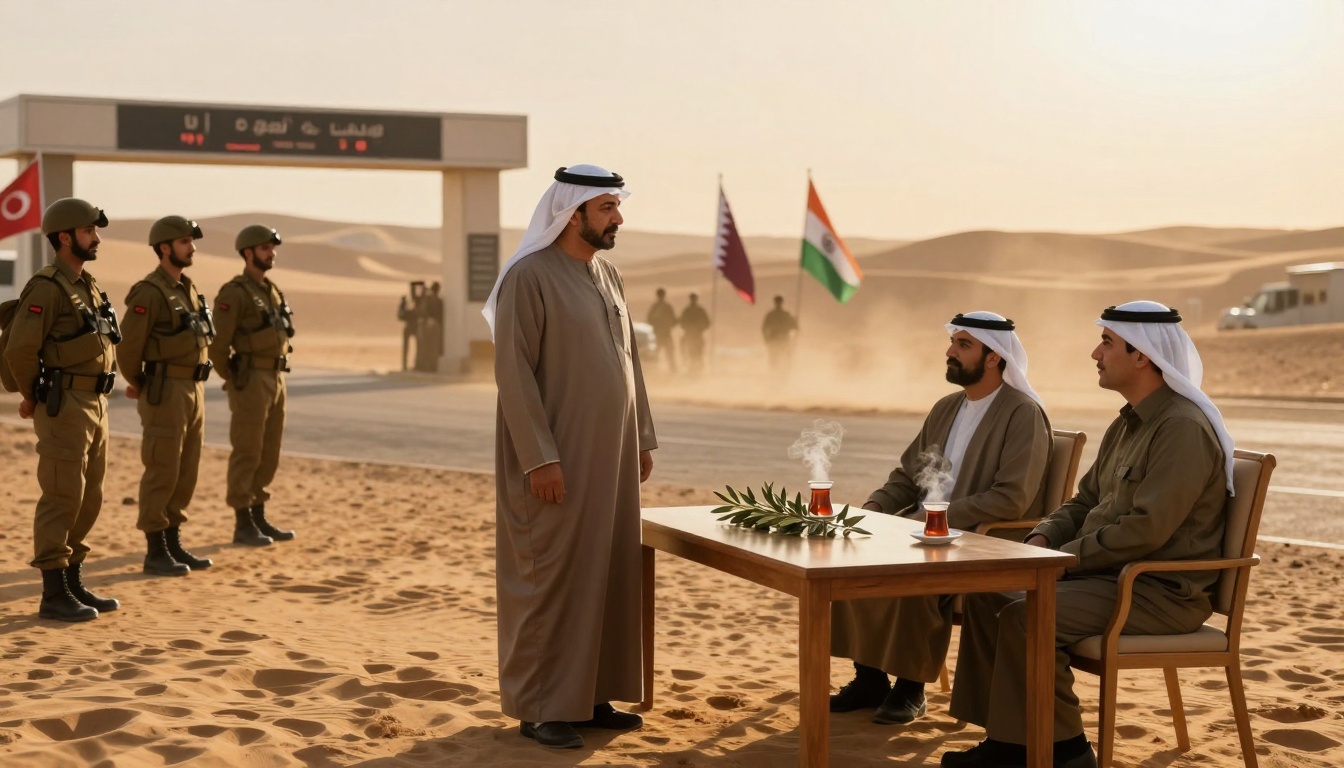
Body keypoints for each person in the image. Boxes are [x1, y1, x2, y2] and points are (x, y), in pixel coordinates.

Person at [943, 301, 1235, 768]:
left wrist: (1062, 561)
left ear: (1141, 355)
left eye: (1106, 343)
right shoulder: (1129, 420)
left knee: (1025, 615)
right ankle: (1009, 741)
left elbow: (1146, 530)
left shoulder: (1180, 428)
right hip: (1106, 577)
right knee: (987, 595)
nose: (1095, 354)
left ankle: (1067, 751)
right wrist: (1042, 538)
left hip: (1154, 590)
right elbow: (1082, 502)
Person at [484, 165, 658, 750]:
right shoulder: (528, 277)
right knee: (551, 577)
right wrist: (539, 459)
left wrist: (642, 437)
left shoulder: (609, 275)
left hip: (612, 457)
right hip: (557, 456)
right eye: (607, 208)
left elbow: (630, 363)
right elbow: (513, 374)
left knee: (606, 570)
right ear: (572, 211)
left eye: (617, 207)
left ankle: (592, 695)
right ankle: (542, 705)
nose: (618, 219)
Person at [830, 311, 1052, 725]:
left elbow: (1012, 498)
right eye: (953, 343)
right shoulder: (947, 407)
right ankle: (870, 677)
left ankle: (911, 687)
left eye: (963, 345)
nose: (950, 352)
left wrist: (930, 519)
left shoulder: (1022, 413)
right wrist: (873, 509)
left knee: (914, 569)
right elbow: (907, 475)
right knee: (851, 551)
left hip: (982, 538)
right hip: (926, 528)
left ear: (993, 357)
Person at [2, 198, 120, 622]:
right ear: (65, 237)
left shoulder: (87, 285)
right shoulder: (47, 287)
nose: (97, 238)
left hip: (95, 402)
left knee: (89, 496)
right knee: (62, 495)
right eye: (89, 231)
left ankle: (72, 581)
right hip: (63, 402)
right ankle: (53, 593)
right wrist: (33, 395)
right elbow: (19, 348)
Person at [116, 216, 216, 577]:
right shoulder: (150, 292)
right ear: (164, 247)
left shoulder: (187, 288)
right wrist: (141, 382)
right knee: (162, 468)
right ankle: (155, 550)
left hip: (194, 388)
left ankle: (173, 542)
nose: (191, 247)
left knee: (186, 469)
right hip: (165, 390)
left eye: (192, 241)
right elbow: (127, 348)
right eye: (184, 241)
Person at [208, 224, 297, 548]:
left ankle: (258, 514)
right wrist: (233, 379)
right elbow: (217, 345)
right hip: (250, 379)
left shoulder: (271, 290)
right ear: (248, 253)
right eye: (264, 249)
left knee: (269, 450)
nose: (270, 254)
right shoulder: (234, 293)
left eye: (271, 249)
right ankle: (242, 521)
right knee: (247, 449)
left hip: (275, 377)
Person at [761, 294, 798, 373]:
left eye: (779, 302)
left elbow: (794, 327)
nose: (778, 303)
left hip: (783, 339)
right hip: (774, 339)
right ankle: (774, 375)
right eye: (777, 302)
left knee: (784, 359)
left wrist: (795, 321)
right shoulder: (771, 315)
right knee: (774, 359)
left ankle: (783, 376)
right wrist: (766, 339)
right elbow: (764, 328)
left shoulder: (786, 314)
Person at [646, 287, 678, 373]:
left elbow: (649, 320)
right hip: (663, 334)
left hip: (659, 334)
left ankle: (654, 371)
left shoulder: (656, 307)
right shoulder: (667, 307)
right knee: (669, 354)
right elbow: (674, 321)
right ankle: (672, 371)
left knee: (659, 354)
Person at [678, 292, 710, 375]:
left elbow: (707, 323)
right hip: (691, 335)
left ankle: (697, 369)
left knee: (696, 353)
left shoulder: (696, 310)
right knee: (693, 352)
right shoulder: (690, 310)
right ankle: (694, 369)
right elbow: (682, 322)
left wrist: (699, 328)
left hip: (696, 335)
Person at [417, 281, 444, 372]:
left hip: (428, 324)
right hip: (436, 325)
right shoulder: (439, 301)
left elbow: (423, 311)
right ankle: (433, 367)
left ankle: (425, 367)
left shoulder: (428, 299)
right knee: (434, 347)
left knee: (426, 346)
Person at [398, 284, 422, 371]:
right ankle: (405, 364)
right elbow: (400, 315)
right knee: (407, 347)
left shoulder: (419, 302)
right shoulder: (408, 302)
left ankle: (416, 364)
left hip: (414, 326)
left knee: (418, 347)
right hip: (410, 326)